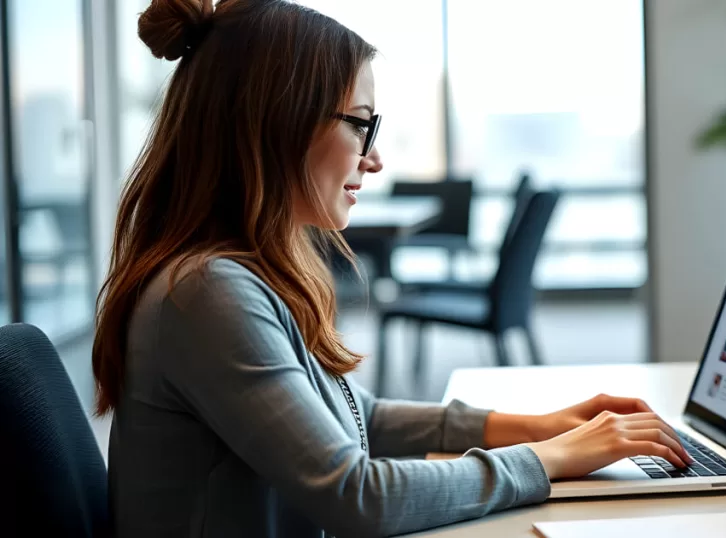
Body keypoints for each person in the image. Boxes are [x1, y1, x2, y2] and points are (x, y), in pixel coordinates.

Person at [91, 1, 693, 537]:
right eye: (361, 123)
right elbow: (356, 496)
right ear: (278, 120)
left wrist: (540, 426)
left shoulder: (237, 275)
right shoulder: (208, 293)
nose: (374, 159)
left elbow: (361, 417)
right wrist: (552, 458)